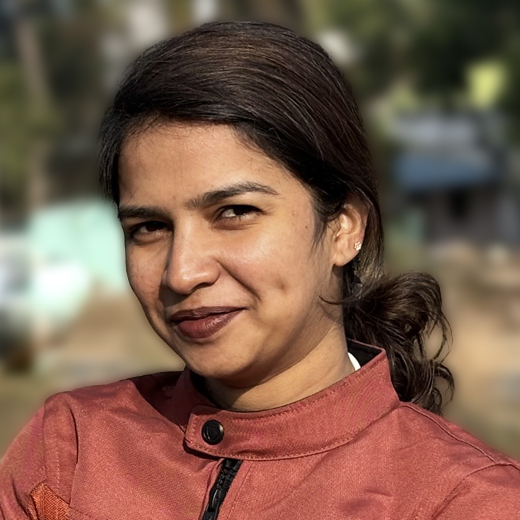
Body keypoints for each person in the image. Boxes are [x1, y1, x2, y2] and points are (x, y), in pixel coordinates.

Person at [1, 21, 520, 520]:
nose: (182, 273)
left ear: (343, 227)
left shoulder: (464, 501)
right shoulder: (69, 452)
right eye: (149, 227)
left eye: (234, 213)